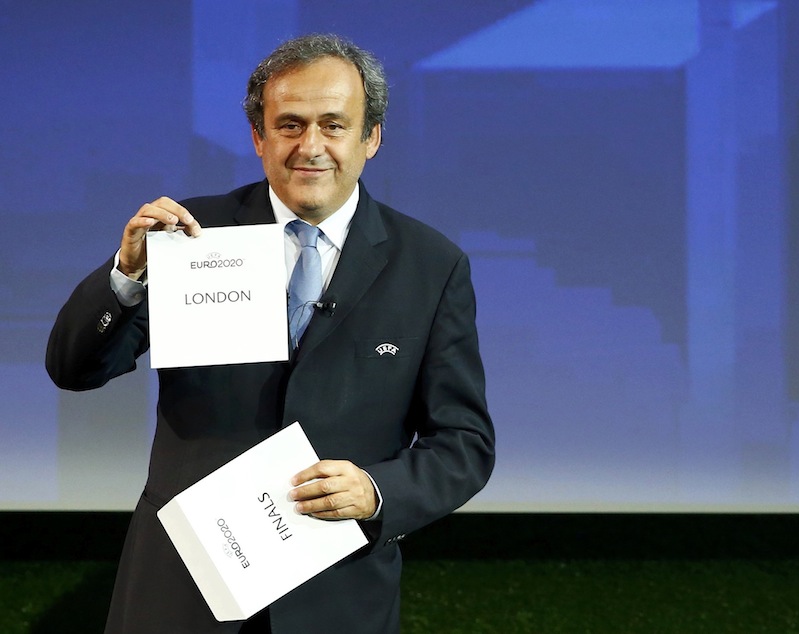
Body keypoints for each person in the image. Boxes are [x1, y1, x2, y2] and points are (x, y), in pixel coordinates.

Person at [46, 33, 494, 633]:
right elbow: (74, 369)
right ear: (259, 138)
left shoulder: (431, 266)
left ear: (372, 139)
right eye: (289, 124)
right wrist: (127, 275)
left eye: (334, 125)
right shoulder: (192, 237)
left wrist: (377, 491)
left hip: (335, 594)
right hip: (182, 586)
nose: (311, 146)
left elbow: (464, 442)